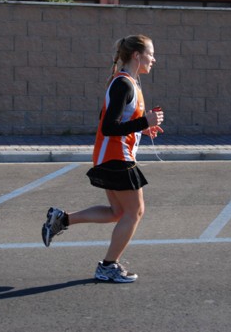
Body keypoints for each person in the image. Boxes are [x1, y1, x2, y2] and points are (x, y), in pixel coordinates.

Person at [41, 34, 164, 283]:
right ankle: (108, 266)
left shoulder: (129, 82)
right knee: (135, 211)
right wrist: (144, 121)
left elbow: (113, 120)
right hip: (117, 156)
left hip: (111, 155)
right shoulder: (124, 84)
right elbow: (108, 126)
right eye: (151, 54)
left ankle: (62, 219)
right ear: (137, 55)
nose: (154, 59)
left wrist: (142, 128)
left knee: (118, 211)